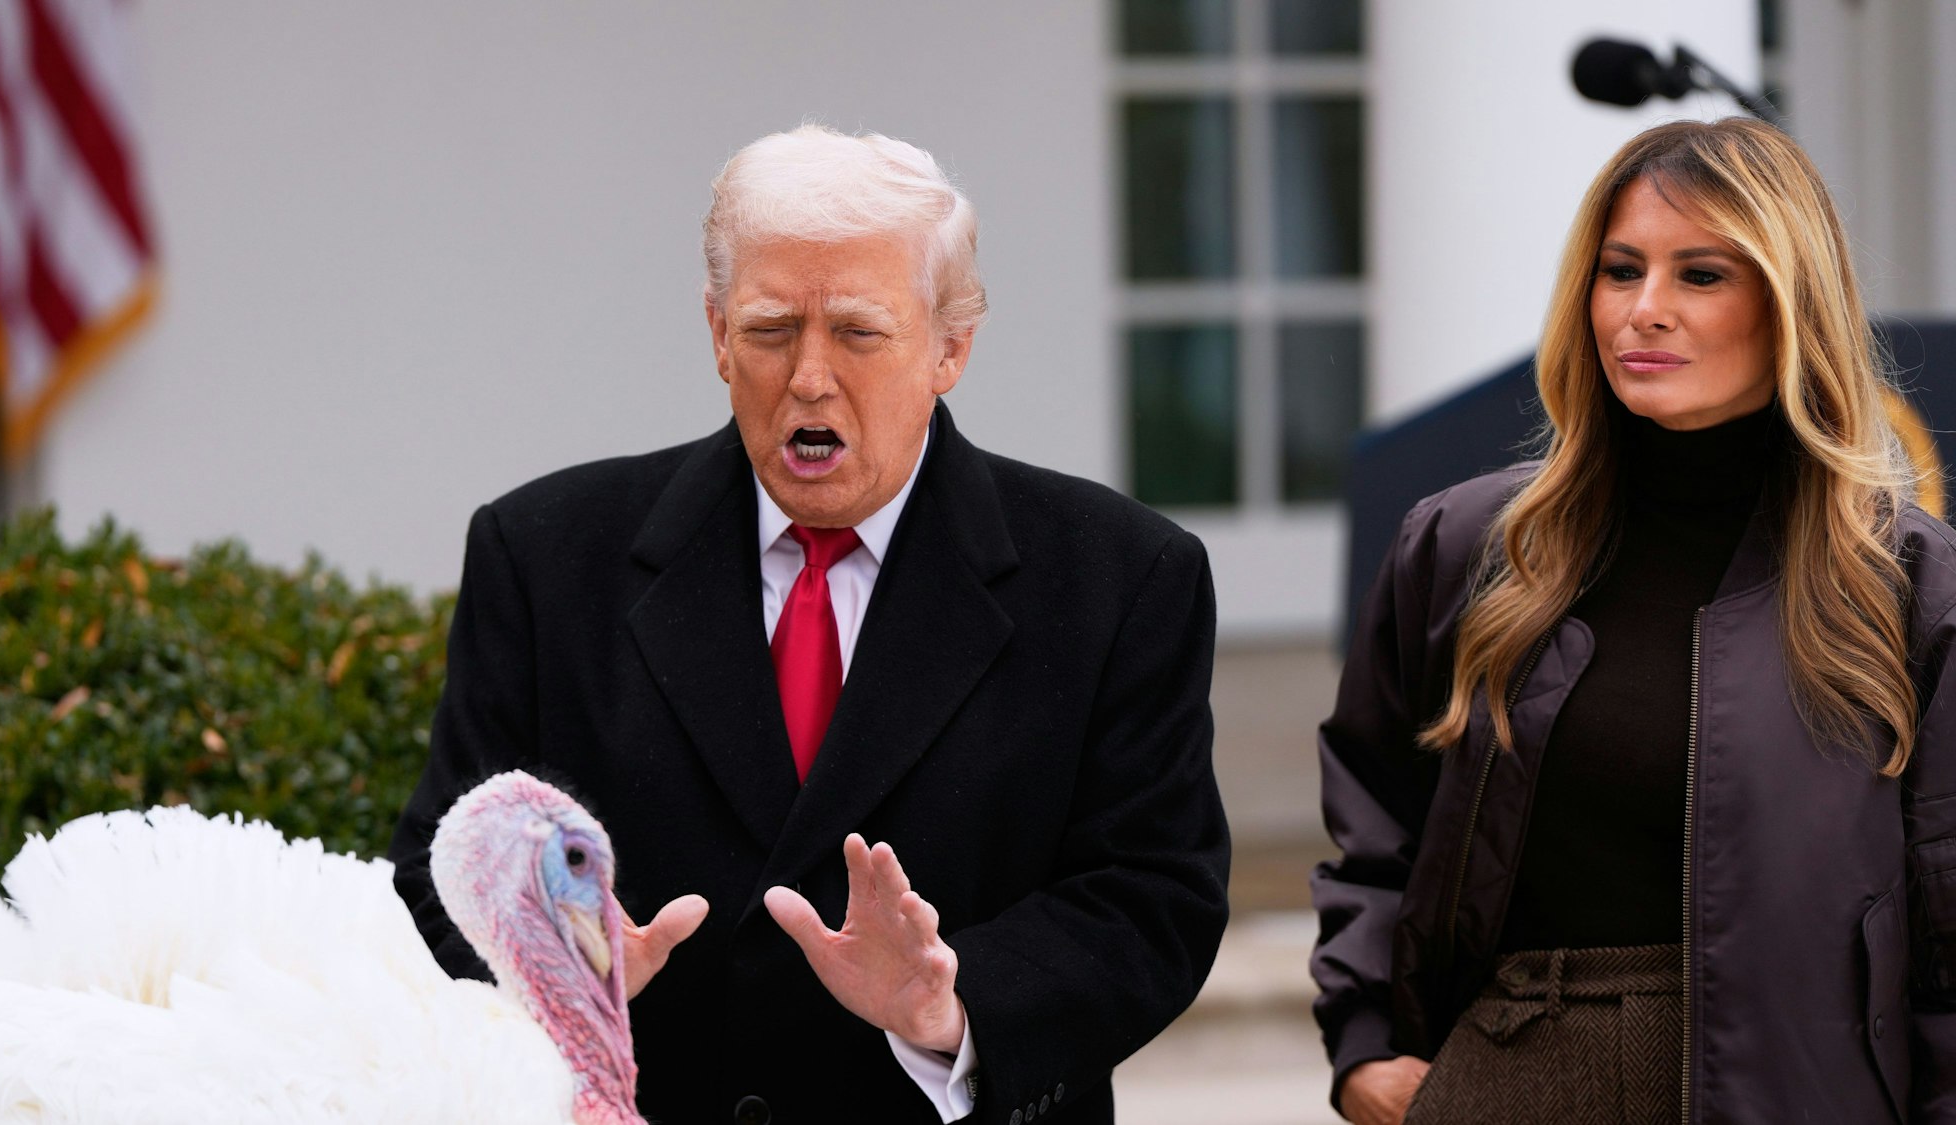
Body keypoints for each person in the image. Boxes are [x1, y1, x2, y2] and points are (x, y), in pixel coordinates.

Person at [389, 124, 1230, 1125]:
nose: (810, 378)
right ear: (715, 334)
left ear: (950, 346)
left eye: (859, 333)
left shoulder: (1119, 577)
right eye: (771, 329)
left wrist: (951, 999)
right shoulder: (543, 555)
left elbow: (1153, 895)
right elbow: (437, 877)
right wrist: (555, 969)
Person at [1311, 116, 1956, 1124]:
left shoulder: (1905, 580)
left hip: (1799, 1090)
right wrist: (1359, 1051)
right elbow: (1373, 827)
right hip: (1508, 1077)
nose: (1642, 311)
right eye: (1619, 271)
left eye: (1699, 275)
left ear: (1790, 304)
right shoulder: (1466, 547)